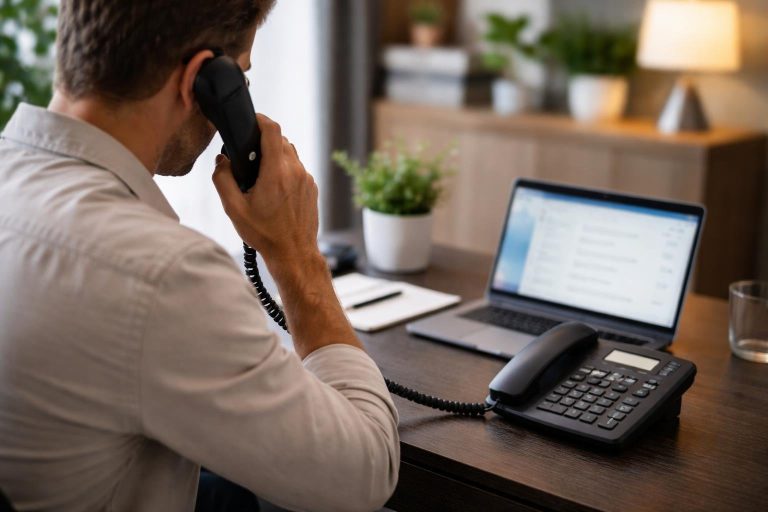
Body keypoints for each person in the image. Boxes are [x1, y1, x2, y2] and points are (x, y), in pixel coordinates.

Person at [0, 1, 400, 511]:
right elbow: (365, 474)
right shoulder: (161, 273)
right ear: (202, 80)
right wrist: (297, 256)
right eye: (241, 79)